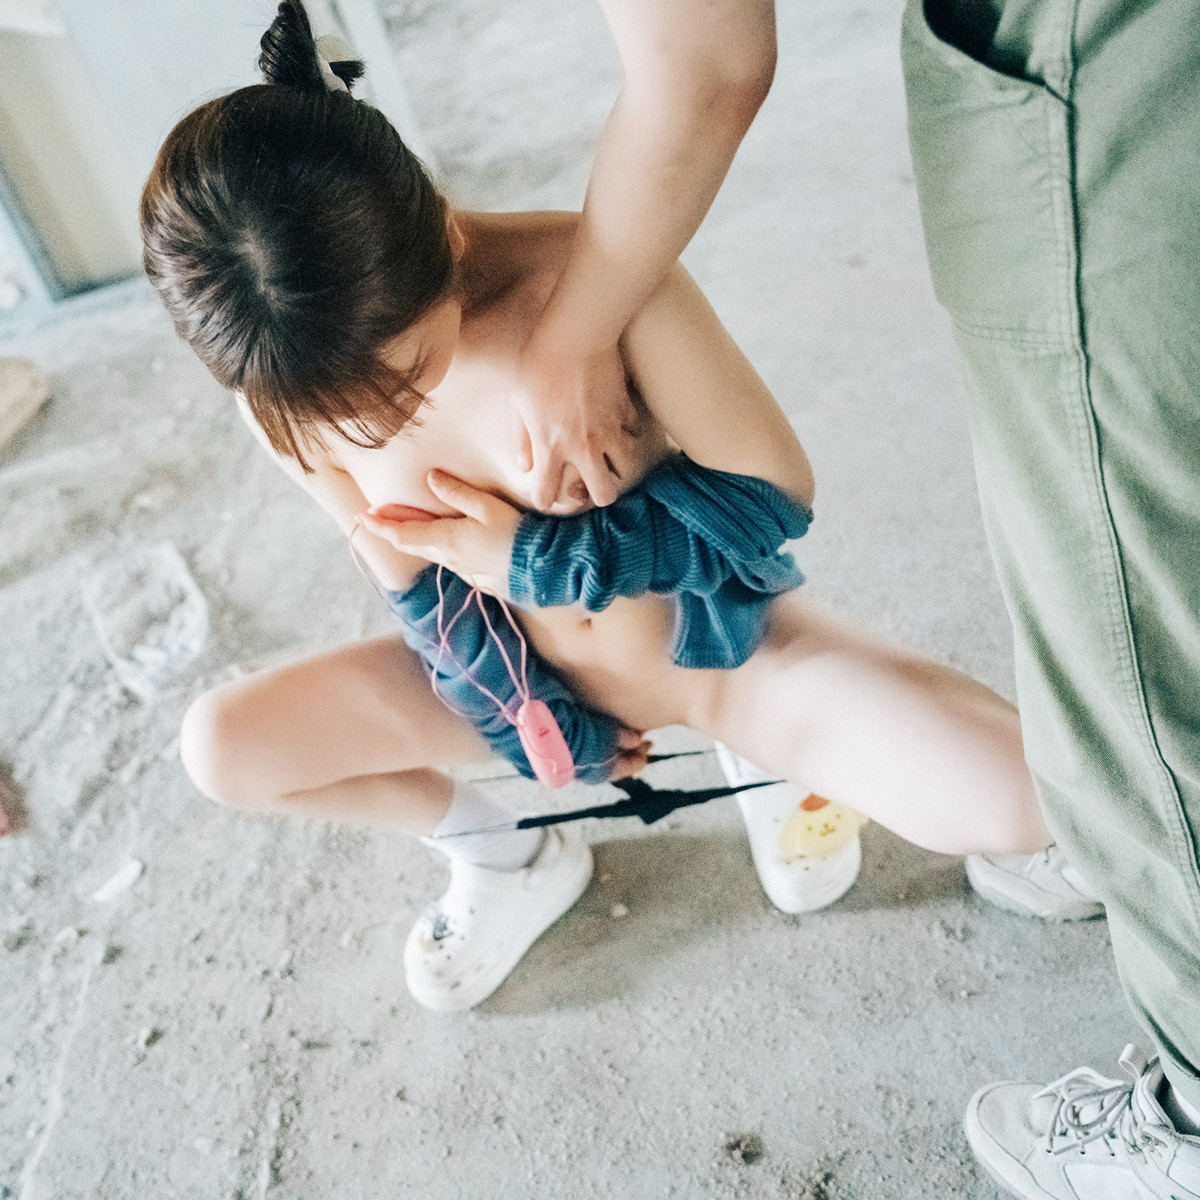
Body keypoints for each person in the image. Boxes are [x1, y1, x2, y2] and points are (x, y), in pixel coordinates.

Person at [139, 1, 1049, 1016]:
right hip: (530, 694)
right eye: (341, 417)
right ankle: (505, 858)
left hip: (727, 666)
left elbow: (772, 503)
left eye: (403, 376)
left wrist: (534, 559)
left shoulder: (590, 278)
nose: (375, 424)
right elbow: (422, 605)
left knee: (1024, 799)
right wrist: (529, 718)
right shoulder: (287, 392)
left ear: (437, 233)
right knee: (222, 747)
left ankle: (781, 765)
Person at [510, 0, 1200, 1195]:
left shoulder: (549, 297)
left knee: (1125, 632)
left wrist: (570, 347)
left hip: (1114, 70)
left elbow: (706, 60)